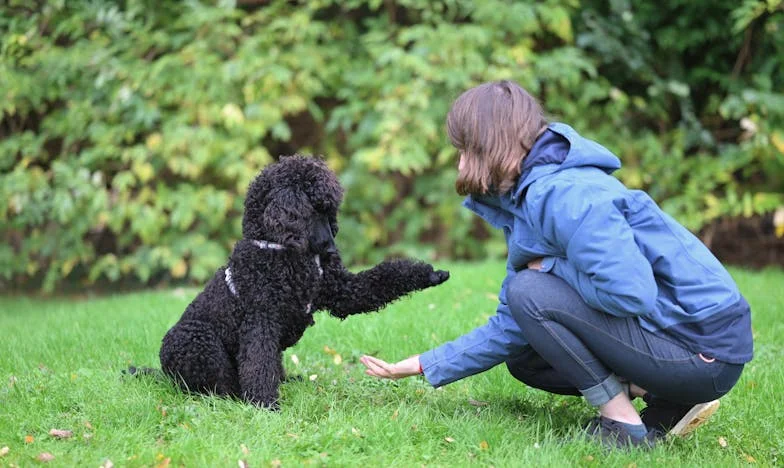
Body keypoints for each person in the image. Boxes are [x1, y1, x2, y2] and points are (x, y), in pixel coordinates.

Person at [359, 80, 753, 449]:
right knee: (525, 356)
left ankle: (623, 424)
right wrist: (423, 365)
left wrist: (549, 270)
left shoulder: (565, 194)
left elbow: (631, 293)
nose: (461, 167)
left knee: (528, 290)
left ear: (491, 144)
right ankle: (667, 400)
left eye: (466, 150)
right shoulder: (531, 195)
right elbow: (513, 323)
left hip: (703, 351)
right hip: (685, 342)